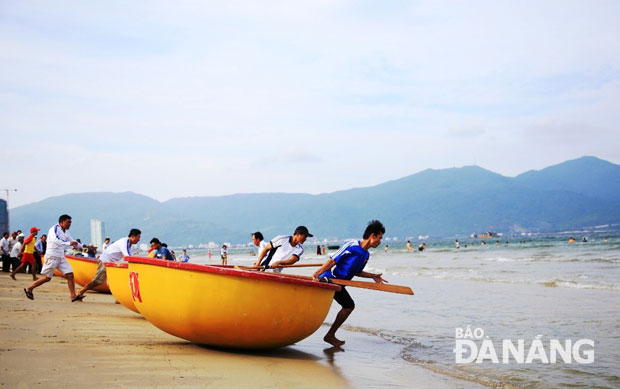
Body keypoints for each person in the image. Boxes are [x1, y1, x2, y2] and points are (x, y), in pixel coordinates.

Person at [312, 220, 386, 347]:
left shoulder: (366, 255)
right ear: (372, 235)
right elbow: (333, 260)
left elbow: (357, 272)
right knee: (320, 306)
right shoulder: (352, 245)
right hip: (329, 280)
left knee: (348, 306)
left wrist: (372, 276)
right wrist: (316, 274)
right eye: (379, 238)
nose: (380, 241)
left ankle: (330, 335)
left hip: (339, 285)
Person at [24, 214, 93, 302]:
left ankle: (73, 296)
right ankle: (29, 288)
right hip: (52, 256)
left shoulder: (66, 232)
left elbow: (73, 241)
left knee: (70, 274)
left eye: (70, 222)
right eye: (68, 222)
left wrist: (86, 246)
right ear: (61, 222)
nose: (69, 224)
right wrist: (68, 244)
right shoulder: (54, 229)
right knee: (47, 278)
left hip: (60, 256)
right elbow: (56, 240)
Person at [76, 229, 141, 299]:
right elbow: (128, 257)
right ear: (133, 237)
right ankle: (81, 291)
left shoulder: (129, 244)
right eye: (138, 237)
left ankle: (118, 298)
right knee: (98, 281)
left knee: (116, 280)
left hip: (111, 263)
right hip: (105, 261)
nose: (139, 239)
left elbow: (130, 256)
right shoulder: (124, 242)